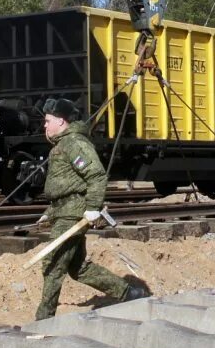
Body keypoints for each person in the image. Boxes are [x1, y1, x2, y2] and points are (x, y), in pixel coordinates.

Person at [34, 98, 144, 320]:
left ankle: (44, 319)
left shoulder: (75, 143)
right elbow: (67, 185)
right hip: (64, 212)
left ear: (61, 121)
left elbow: (95, 175)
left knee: (53, 264)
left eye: (48, 121)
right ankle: (129, 293)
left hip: (73, 216)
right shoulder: (62, 144)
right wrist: (51, 211)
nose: (44, 126)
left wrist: (93, 207)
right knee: (78, 268)